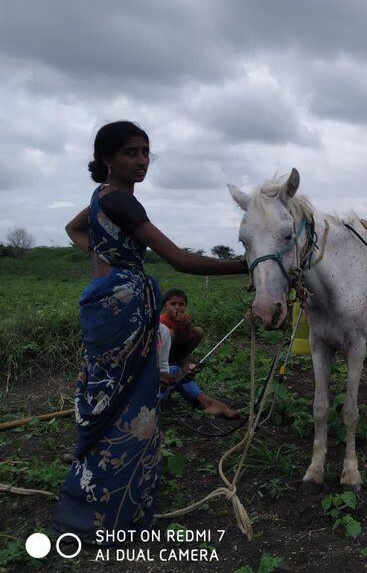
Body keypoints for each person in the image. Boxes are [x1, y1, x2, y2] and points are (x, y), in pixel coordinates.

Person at [54, 120, 248, 542]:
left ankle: (90, 495)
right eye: (130, 152)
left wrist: (108, 255)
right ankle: (112, 511)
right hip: (122, 311)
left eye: (145, 152)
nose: (141, 160)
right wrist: (248, 265)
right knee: (129, 403)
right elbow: (180, 261)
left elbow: (75, 230)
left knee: (106, 395)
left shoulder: (100, 198)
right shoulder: (123, 202)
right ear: (107, 158)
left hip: (105, 306)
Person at [158, 289, 239, 419]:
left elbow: (181, 349)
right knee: (175, 369)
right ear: (165, 306)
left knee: (197, 332)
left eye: (181, 304)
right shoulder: (162, 323)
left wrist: (186, 327)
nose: (178, 308)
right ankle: (208, 402)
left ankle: (208, 403)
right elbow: (163, 353)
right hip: (158, 371)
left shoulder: (183, 321)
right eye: (173, 304)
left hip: (172, 364)